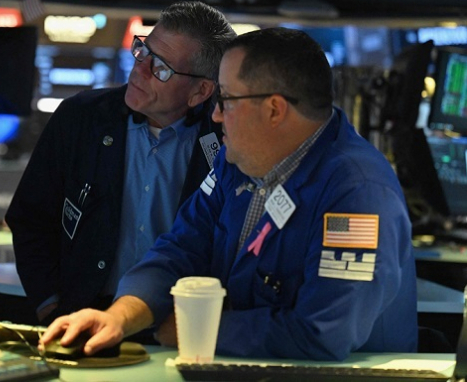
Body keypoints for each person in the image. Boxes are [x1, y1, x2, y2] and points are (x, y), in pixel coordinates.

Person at [40, 27, 418, 361]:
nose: (216, 115)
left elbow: (323, 332)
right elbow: (182, 246)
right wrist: (120, 317)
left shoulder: (358, 193)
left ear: (274, 109)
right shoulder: (237, 159)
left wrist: (200, 330)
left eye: (225, 100)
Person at [5, 1, 236, 325]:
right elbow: (31, 217)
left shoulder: (226, 138)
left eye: (161, 68)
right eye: (143, 51)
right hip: (82, 313)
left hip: (178, 322)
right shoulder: (81, 118)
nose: (140, 69)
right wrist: (49, 304)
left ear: (200, 91)